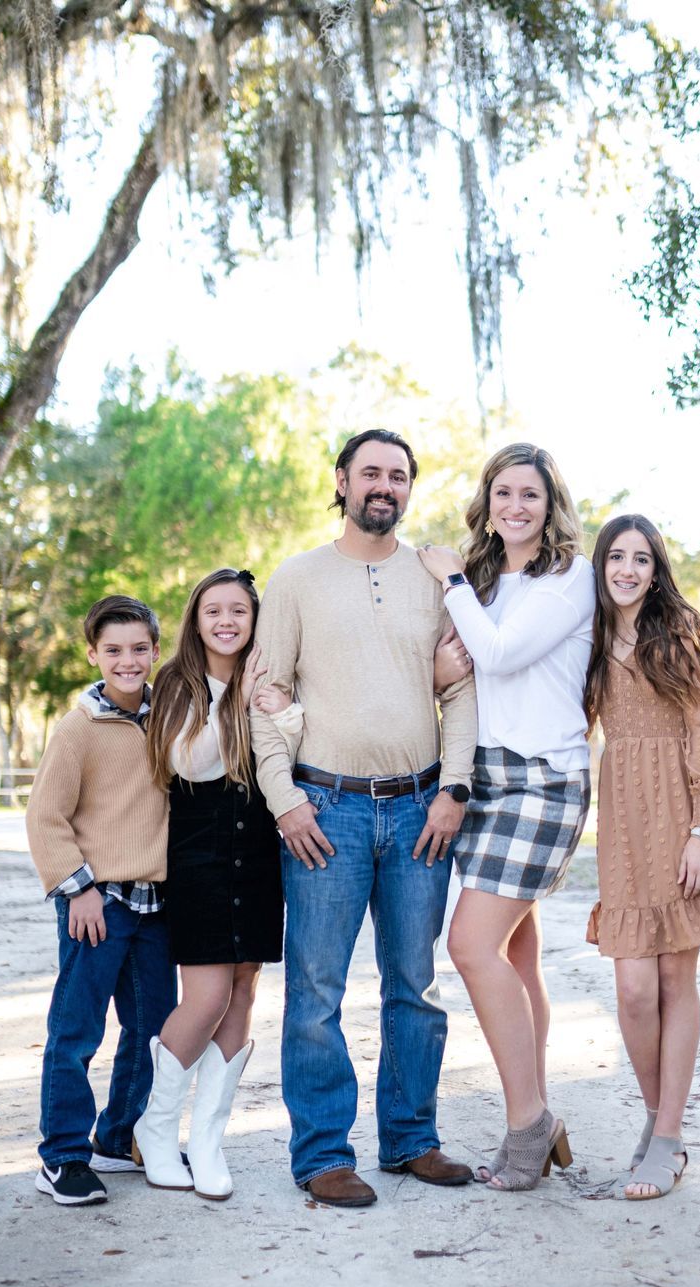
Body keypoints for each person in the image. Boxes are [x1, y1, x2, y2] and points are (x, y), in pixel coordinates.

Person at [249, 427, 479, 1209]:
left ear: (410, 489)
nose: (384, 484)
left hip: (421, 808)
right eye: (371, 472)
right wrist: (285, 800)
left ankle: (412, 1138)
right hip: (328, 810)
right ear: (341, 480)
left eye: (399, 475)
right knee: (316, 987)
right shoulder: (298, 578)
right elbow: (263, 691)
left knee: (415, 984)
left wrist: (455, 788)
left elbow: (462, 689)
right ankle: (321, 1152)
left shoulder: (433, 579)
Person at [417, 443, 594, 1191]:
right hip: (483, 778)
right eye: (503, 492)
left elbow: (496, 654)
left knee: (470, 944)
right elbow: (452, 667)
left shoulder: (570, 577)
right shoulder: (487, 578)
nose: (515, 506)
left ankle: (526, 1126)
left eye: (531, 494)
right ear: (487, 501)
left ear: (552, 505)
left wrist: (450, 577)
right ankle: (540, 1111)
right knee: (516, 958)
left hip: (544, 780)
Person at [584, 514, 700, 1200]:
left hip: (683, 816)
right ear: (601, 567)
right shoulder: (592, 640)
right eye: (616, 558)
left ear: (655, 571)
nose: (627, 569)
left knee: (671, 982)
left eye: (640, 559)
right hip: (624, 821)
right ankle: (663, 1122)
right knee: (632, 989)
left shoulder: (677, 638)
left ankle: (665, 1135)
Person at [133, 568, 302, 1201]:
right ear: (196, 620)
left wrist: (277, 707)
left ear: (256, 620)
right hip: (200, 859)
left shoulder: (269, 677)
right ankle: (155, 1131)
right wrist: (238, 700)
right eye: (214, 611)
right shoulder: (179, 683)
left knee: (242, 991)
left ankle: (207, 1140)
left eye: (239, 611)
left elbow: (292, 742)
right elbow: (192, 761)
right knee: (203, 999)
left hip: (257, 854)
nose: (227, 621)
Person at [25, 595, 175, 1206]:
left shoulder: (168, 718)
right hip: (98, 903)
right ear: (93, 654)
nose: (128, 660)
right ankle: (62, 1155)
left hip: (158, 904)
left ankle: (119, 1136)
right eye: (113, 650)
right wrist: (79, 888)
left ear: (156, 653)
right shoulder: (79, 727)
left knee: (151, 1029)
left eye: (140, 648)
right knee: (77, 1029)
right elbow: (45, 817)